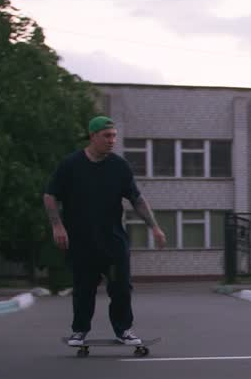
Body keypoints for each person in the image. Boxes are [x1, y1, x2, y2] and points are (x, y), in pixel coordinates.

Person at [43, 116, 167, 347]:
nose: (112, 141)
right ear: (93, 136)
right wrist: (57, 225)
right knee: (84, 288)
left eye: (114, 136)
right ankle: (79, 331)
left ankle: (124, 330)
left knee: (120, 287)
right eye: (107, 136)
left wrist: (155, 227)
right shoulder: (71, 164)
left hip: (113, 240)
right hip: (82, 241)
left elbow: (136, 199)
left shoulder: (119, 166)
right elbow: (50, 195)